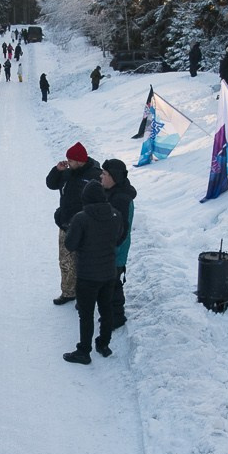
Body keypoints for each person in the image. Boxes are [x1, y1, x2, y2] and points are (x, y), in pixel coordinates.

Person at [63, 179, 124, 364]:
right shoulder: (116, 214)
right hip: (108, 273)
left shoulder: (81, 218)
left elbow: (70, 244)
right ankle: (104, 344)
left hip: (87, 275)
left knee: (86, 314)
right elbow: (119, 238)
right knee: (106, 309)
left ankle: (84, 351)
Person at [46, 143, 98, 306]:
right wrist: (57, 171)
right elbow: (51, 184)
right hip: (66, 224)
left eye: (71, 159)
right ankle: (68, 292)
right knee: (65, 261)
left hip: (84, 227)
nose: (67, 161)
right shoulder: (67, 173)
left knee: (83, 262)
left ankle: (84, 295)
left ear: (80, 160)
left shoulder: (94, 175)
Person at [103, 158, 136, 331]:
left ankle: (117, 317)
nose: (101, 176)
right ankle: (111, 314)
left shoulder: (121, 199)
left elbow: (120, 230)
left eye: (105, 174)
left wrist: (111, 248)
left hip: (116, 250)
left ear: (114, 177)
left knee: (113, 284)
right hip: (112, 249)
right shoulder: (113, 191)